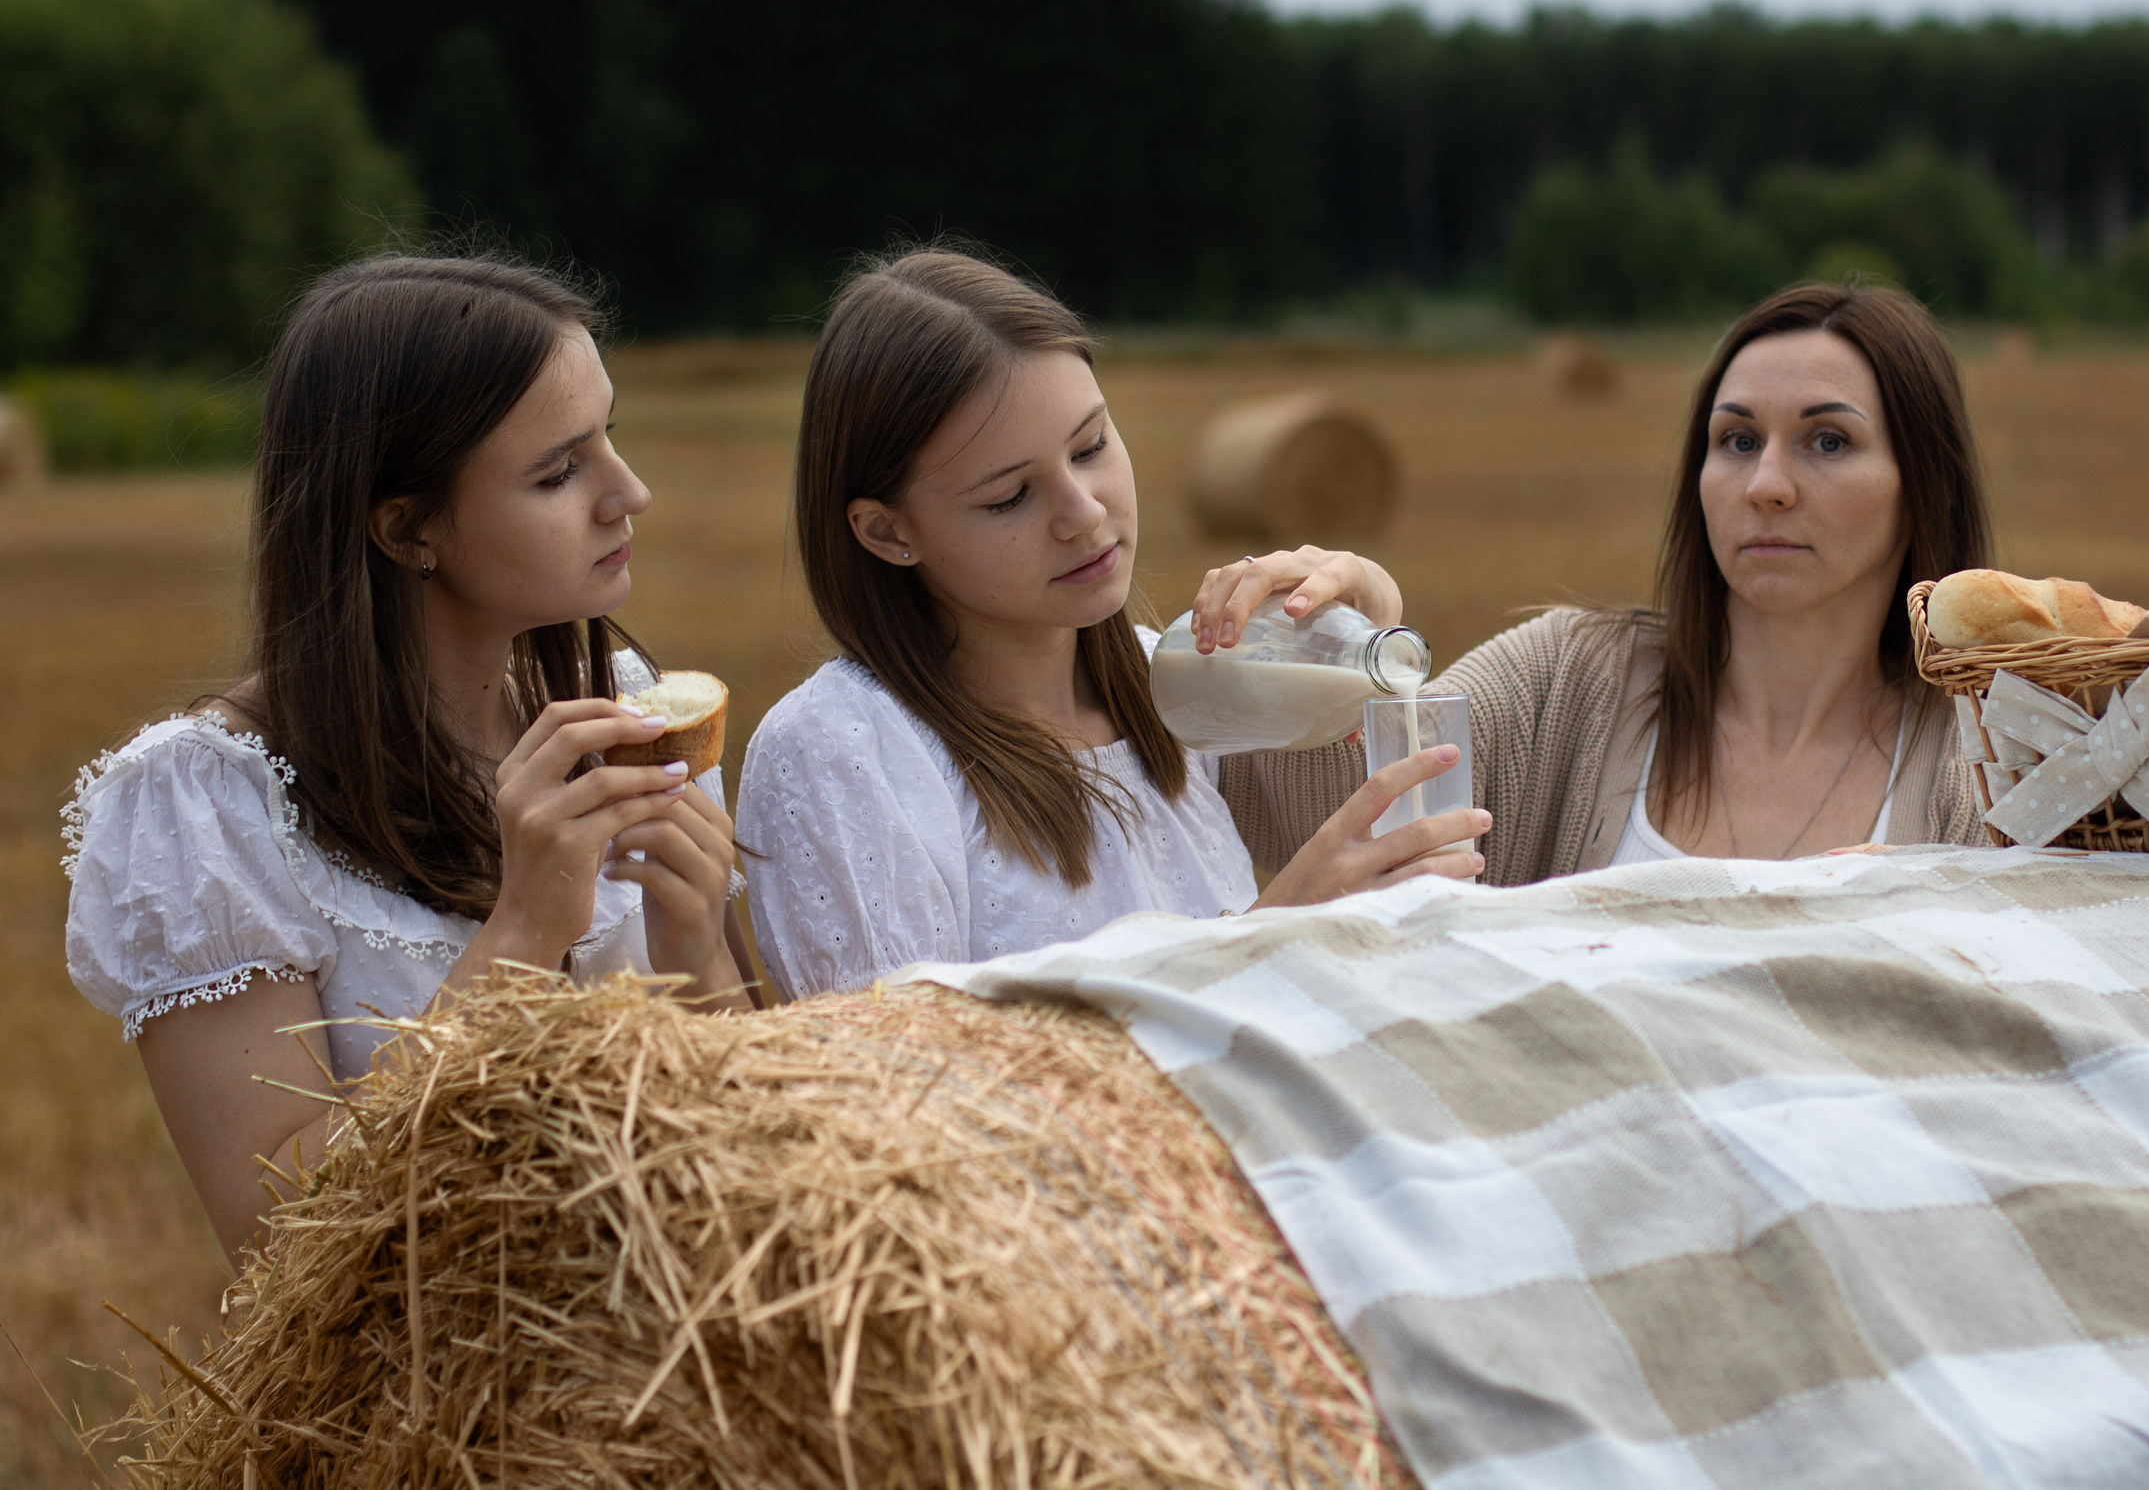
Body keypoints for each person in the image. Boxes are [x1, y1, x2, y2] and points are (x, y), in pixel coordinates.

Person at [61, 255, 751, 1266]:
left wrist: (700, 954)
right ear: (407, 526)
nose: (629, 493)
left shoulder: (626, 706)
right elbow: (278, 1244)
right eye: (559, 472)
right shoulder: (206, 802)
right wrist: (521, 935)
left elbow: (753, 1152)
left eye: (611, 436)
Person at [738, 247, 1485, 998]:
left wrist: (1361, 633)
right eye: (1009, 497)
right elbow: (903, 1066)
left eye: (1090, 446)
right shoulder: (842, 751)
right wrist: (1269, 935)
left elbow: (1364, 816)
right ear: (887, 531)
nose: (1084, 511)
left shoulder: (1178, 681)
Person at [1207, 280, 1996, 880]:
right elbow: (1333, 819)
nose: (1766, 485)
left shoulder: (1991, 768)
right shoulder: (1570, 681)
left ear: (1923, 484)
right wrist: (1348, 653)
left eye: (1828, 442)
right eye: (1737, 439)